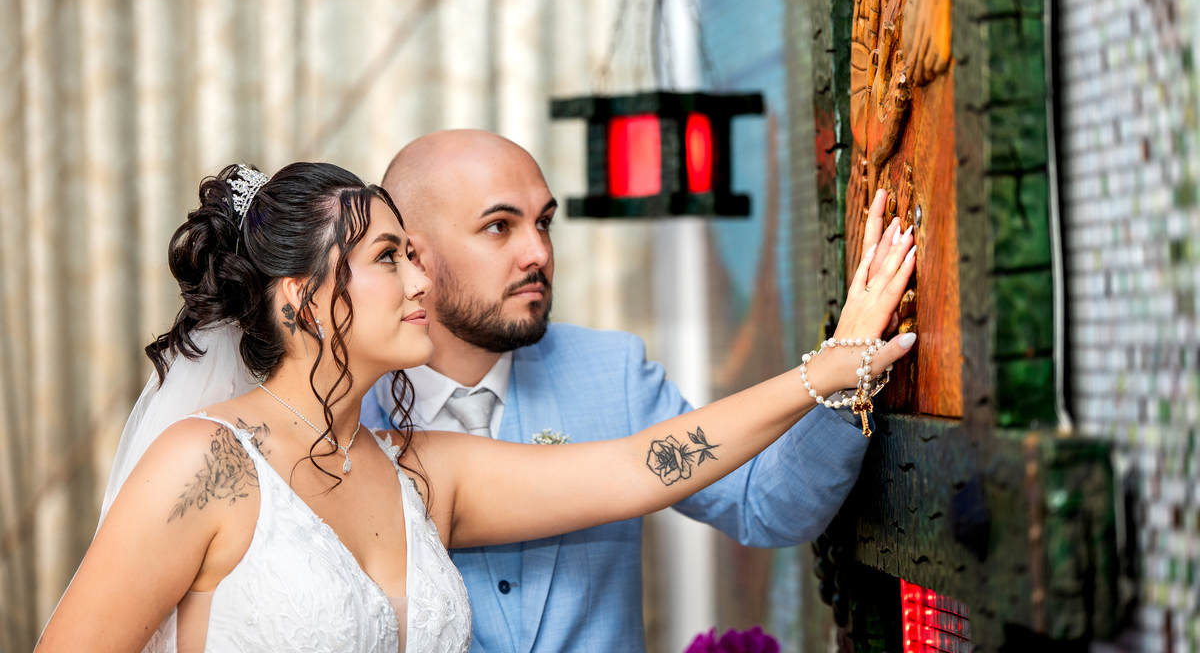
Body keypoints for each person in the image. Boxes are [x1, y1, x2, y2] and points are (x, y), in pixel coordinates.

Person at [37, 160, 916, 653]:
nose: (421, 280)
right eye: (389, 258)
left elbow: (642, 465)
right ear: (302, 302)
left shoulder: (421, 470)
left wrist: (828, 369)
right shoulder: (207, 463)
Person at [357, 131, 911, 653]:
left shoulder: (612, 371)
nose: (539, 252)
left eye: (544, 222)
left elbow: (766, 504)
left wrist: (846, 378)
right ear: (413, 258)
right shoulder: (347, 416)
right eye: (499, 226)